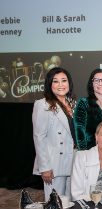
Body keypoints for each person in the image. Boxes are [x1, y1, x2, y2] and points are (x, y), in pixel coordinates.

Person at [32, 68, 76, 198]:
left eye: (64, 80)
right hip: (54, 163)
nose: (61, 84)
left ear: (69, 83)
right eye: (56, 81)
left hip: (73, 159)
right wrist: (44, 167)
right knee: (56, 203)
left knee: (72, 202)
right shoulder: (43, 105)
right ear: (49, 84)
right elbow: (39, 137)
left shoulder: (73, 103)